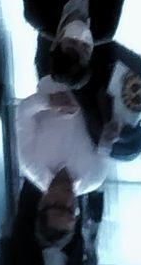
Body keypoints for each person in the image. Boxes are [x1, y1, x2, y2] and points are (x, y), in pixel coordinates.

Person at [17, 78, 115, 245]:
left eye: (59, 205)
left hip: (58, 71)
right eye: (71, 210)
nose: (69, 201)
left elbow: (23, 112)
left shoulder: (30, 162)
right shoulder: (95, 178)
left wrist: (50, 102)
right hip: (101, 84)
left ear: (43, 202)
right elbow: (109, 137)